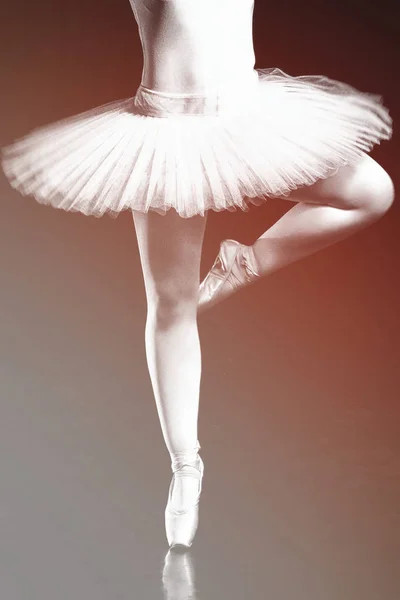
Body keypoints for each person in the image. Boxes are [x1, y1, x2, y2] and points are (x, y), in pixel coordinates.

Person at [1, 0, 394, 550]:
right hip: (169, 136)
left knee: (372, 193)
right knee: (170, 303)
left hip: (245, 116)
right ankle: (186, 468)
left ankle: (245, 262)